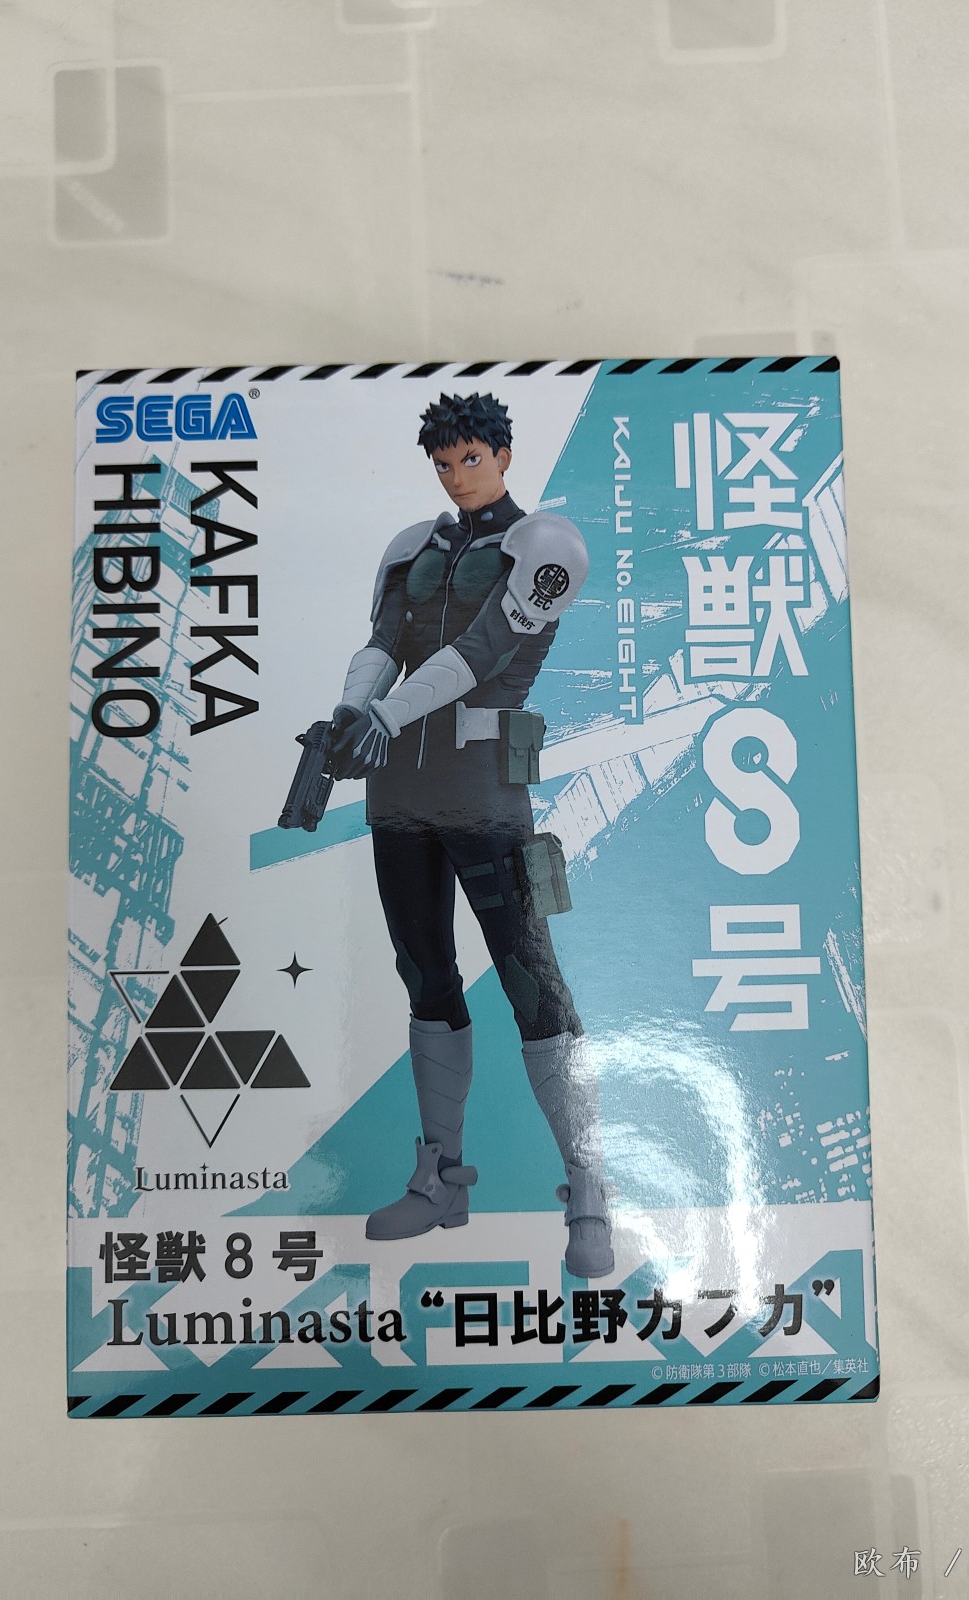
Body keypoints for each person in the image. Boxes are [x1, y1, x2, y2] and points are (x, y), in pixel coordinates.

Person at [330, 392, 612, 1279]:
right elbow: (383, 641)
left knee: (532, 983)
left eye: (472, 460)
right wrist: (350, 711)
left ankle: (590, 1185)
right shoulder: (410, 547)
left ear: (504, 454)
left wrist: (384, 714)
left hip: (487, 793)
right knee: (425, 975)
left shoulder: (547, 545)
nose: (457, 477)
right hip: (399, 793)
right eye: (444, 464)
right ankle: (441, 1180)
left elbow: (485, 650)